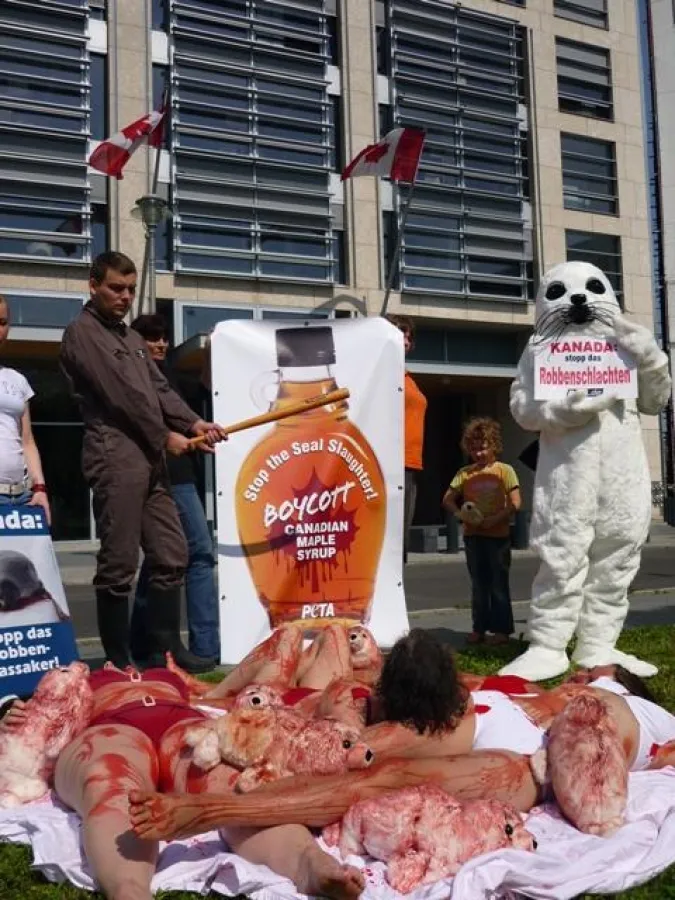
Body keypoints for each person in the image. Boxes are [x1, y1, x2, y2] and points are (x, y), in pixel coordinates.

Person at [128, 641, 675, 844]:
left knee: (382, 783)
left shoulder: (632, 706)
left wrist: (600, 699)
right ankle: (239, 729)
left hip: (525, 763)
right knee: (347, 736)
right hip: (465, 720)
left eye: (598, 668)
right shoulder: (536, 688)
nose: (587, 666)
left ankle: (205, 810)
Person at [1, 645, 370, 900]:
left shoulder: (170, 677)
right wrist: (13, 711)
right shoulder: (87, 678)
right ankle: (130, 889)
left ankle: (308, 863)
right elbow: (44, 711)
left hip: (184, 726)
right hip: (113, 725)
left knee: (233, 788)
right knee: (110, 782)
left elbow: (222, 697)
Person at [59, 251, 225, 674]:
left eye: (131, 289)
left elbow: (160, 391)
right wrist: (164, 436)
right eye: (116, 287)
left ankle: (165, 651)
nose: (125, 296)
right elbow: (120, 396)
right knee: (119, 562)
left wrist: (195, 422)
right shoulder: (81, 333)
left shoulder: (133, 340)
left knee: (171, 554)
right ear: (93, 284)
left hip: (152, 459)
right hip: (115, 455)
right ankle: (118, 659)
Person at [129, 314, 219, 666]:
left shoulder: (169, 378)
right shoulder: (133, 380)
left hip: (180, 477)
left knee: (160, 561)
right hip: (168, 478)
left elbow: (206, 391)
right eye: (152, 338)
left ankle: (144, 645)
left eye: (164, 337)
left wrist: (213, 352)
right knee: (197, 554)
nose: (161, 344)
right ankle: (205, 647)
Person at [443, 417, 521, 646]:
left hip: (498, 537)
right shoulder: (464, 473)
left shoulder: (505, 471)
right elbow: (447, 500)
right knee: (479, 584)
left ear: (494, 446)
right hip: (473, 537)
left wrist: (496, 519)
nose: (478, 453)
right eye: (474, 448)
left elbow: (516, 502)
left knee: (498, 583)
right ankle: (479, 628)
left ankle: (502, 631)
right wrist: (462, 516)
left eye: (483, 448)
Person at [0, 295, 50, 523]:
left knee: (25, 560)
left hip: (21, 496)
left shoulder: (17, 380)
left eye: (2, 323)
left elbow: (27, 441)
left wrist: (39, 488)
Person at [387, 315, 427, 563]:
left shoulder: (408, 378)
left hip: (409, 465)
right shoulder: (381, 372)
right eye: (402, 333)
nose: (407, 340)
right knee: (389, 541)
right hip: (390, 465)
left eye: (409, 337)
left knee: (400, 543)